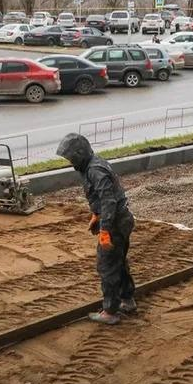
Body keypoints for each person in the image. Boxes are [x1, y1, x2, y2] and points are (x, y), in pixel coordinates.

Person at [56, 133, 135, 325]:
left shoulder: (94, 170)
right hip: (121, 219)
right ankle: (127, 299)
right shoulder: (93, 164)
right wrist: (96, 214)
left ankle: (110, 311)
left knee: (107, 266)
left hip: (115, 223)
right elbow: (104, 197)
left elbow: (109, 200)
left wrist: (105, 230)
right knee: (118, 262)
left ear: (79, 154)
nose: (70, 162)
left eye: (71, 158)